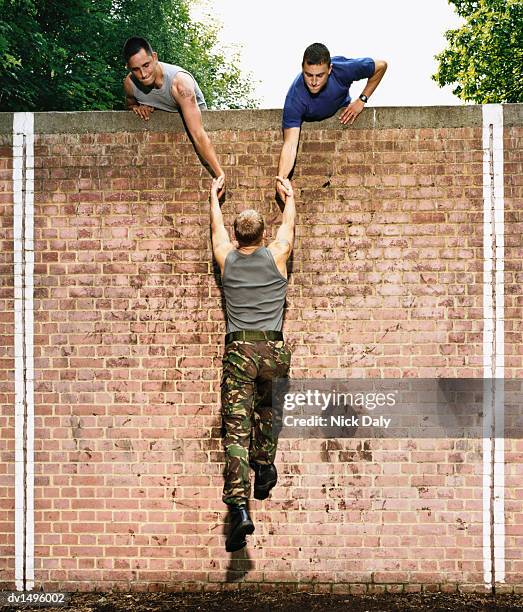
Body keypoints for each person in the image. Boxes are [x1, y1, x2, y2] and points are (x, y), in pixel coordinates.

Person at [209, 174, 295, 553]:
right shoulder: (276, 255)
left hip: (241, 351)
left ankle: (240, 507)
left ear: (236, 235)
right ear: (262, 235)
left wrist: (214, 197)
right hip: (274, 352)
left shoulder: (227, 259)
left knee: (236, 432)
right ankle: (266, 467)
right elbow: (289, 229)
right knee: (267, 409)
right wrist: (289, 197)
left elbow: (215, 230)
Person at [276, 42, 387, 200]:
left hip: (342, 108)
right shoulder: (294, 97)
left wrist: (361, 100)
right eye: (309, 75)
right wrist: (281, 178)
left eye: (320, 75)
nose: (314, 82)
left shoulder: (343, 69)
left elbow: (381, 66)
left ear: (329, 69)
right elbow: (290, 144)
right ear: (302, 68)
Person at [123, 36, 225, 193]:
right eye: (136, 69)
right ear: (129, 68)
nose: (143, 74)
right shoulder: (130, 84)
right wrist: (137, 107)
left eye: (146, 65)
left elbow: (198, 133)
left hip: (196, 129)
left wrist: (219, 175)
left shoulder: (180, 84)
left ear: (155, 57)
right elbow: (130, 104)